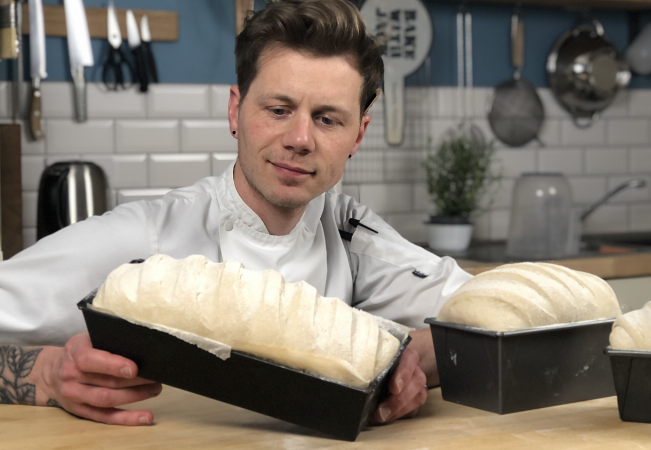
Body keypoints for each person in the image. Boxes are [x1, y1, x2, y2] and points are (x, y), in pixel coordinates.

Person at [0, 0, 470, 427]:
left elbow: (494, 317)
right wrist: (43, 373)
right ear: (235, 110)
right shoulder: (143, 240)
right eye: (279, 109)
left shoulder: (351, 236)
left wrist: (414, 360)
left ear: (358, 136)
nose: (301, 139)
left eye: (328, 119)